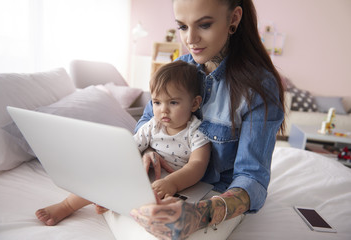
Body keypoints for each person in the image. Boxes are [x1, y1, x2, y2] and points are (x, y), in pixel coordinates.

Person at [130, 0, 285, 239]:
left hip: (214, 196)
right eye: (182, 26)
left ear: (233, 19)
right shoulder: (177, 68)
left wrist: (201, 214)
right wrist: (147, 150)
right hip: (163, 182)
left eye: (204, 25)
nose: (190, 39)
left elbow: (252, 177)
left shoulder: (259, 88)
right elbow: (147, 121)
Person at [35, 60, 211, 226]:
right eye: (157, 102)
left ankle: (112, 202)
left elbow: (197, 165)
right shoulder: (152, 126)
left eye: (173, 102)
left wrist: (172, 183)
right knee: (103, 177)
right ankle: (67, 205)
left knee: (163, 214)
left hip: (174, 186)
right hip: (143, 176)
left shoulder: (196, 132)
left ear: (194, 103)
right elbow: (130, 147)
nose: (163, 109)